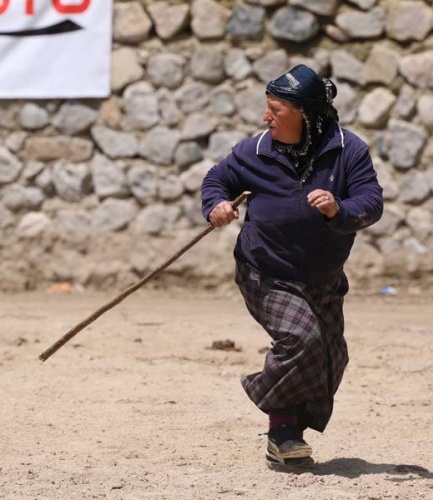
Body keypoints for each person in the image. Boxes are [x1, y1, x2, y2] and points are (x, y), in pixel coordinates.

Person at [200, 64, 384, 469]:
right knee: (302, 340)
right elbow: (217, 179)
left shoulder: (347, 149)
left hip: (323, 276)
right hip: (265, 271)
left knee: (331, 356)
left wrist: (340, 209)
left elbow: (371, 202)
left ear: (307, 115)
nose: (266, 117)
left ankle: (288, 438)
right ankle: (281, 428)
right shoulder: (255, 151)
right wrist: (216, 205)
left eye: (276, 109)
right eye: (267, 108)